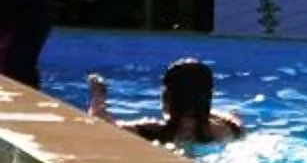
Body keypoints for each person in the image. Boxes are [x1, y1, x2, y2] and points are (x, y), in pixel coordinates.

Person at [88, 55, 245, 144]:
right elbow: (235, 121)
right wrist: (198, 110)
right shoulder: (229, 131)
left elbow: (100, 127)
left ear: (167, 97)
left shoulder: (152, 132)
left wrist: (98, 94)